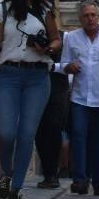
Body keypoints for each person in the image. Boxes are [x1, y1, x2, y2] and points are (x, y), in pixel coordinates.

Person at [0, 0, 61, 199]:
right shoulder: (1, 11)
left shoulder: (45, 10)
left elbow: (56, 40)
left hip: (38, 78)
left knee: (27, 133)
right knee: (6, 133)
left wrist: (47, 48)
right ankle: (6, 174)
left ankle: (16, 188)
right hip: (8, 75)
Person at [60, 1, 99, 196]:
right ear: (80, 19)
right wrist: (68, 67)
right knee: (79, 138)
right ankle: (80, 180)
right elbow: (63, 62)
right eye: (86, 15)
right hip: (80, 98)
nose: (90, 19)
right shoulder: (72, 38)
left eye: (93, 15)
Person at [35, 30, 70, 189]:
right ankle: (48, 172)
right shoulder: (33, 34)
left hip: (58, 90)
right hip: (36, 87)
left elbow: (69, 65)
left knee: (54, 128)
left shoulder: (65, 38)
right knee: (40, 130)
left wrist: (50, 65)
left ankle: (53, 173)